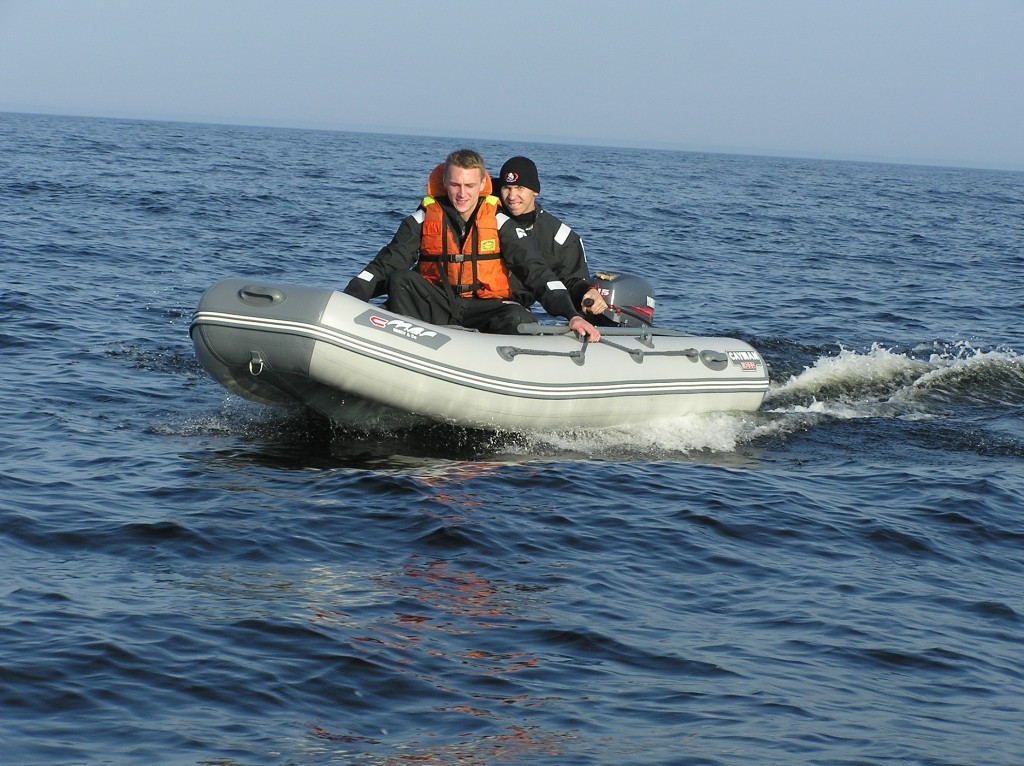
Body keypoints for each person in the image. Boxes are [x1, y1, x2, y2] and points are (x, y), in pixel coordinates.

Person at [344, 149, 600, 340]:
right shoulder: (423, 218)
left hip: (484, 307)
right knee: (401, 279)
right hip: (440, 303)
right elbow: (386, 263)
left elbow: (536, 272)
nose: (462, 193)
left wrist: (571, 314)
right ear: (444, 183)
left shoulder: (500, 223)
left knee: (518, 316)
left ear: (482, 186)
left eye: (469, 185)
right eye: (455, 185)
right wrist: (348, 300)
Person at [495, 156, 608, 316]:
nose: (512, 196)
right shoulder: (486, 214)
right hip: (475, 303)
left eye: (520, 188)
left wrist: (588, 292)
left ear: (535, 191)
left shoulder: (559, 237)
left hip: (513, 312)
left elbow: (573, 280)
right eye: (507, 188)